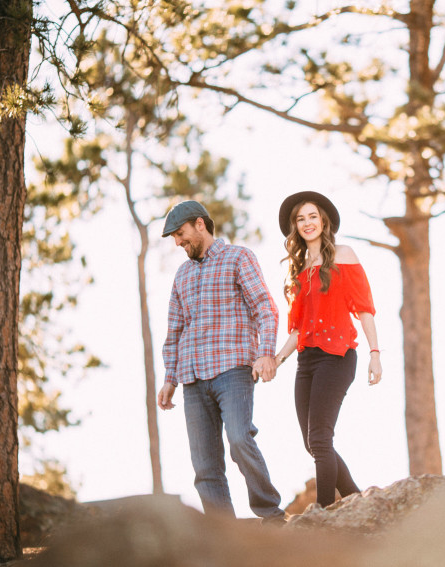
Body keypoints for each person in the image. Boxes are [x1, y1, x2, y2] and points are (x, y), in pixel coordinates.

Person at [157, 200, 286, 524]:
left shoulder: (238, 257)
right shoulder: (182, 274)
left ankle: (270, 514)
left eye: (180, 233)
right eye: (174, 237)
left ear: (200, 224)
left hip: (233, 371)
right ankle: (224, 536)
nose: (177, 242)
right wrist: (170, 378)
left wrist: (266, 353)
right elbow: (175, 330)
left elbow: (265, 308)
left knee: (240, 439)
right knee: (204, 466)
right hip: (192, 380)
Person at [274, 191, 383, 509]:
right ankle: (355, 501)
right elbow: (297, 330)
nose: (307, 223)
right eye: (300, 218)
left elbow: (364, 309)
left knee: (320, 437)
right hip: (306, 361)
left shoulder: (344, 255)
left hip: (337, 356)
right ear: (295, 226)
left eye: (312, 216)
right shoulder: (297, 270)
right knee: (313, 443)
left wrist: (375, 353)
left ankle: (321, 514)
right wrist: (277, 360)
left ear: (323, 221)